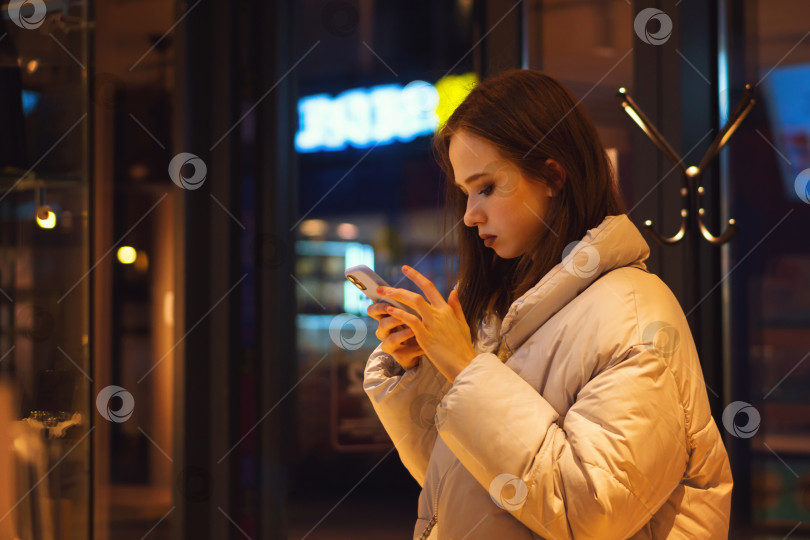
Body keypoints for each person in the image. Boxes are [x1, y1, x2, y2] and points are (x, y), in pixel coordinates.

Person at [363, 69, 732, 539]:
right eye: (464, 194)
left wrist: (463, 367)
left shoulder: (634, 312)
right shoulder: (509, 309)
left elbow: (589, 511)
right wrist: (421, 369)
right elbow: (465, 486)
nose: (472, 215)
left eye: (487, 187)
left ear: (553, 176)